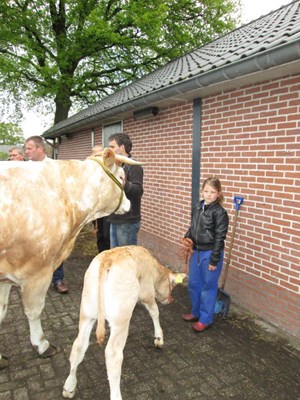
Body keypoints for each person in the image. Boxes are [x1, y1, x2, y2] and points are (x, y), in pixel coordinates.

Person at [182, 177, 229, 332]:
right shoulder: (198, 207)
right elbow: (193, 226)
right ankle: (195, 312)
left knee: (208, 288)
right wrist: (187, 236)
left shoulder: (220, 213)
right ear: (202, 191)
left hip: (210, 253)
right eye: (206, 191)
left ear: (218, 193)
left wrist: (214, 260)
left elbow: (220, 238)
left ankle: (206, 319)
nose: (208, 195)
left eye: (212, 192)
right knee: (194, 284)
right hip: (196, 251)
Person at [24, 136, 69, 294]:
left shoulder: (55, 167)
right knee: (33, 248)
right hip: (32, 216)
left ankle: (58, 279)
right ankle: (34, 279)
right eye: (26, 148)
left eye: (29, 148)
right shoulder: (24, 168)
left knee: (56, 248)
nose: (26, 151)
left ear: (40, 149)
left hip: (52, 216)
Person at [106, 133, 143, 248]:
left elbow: (138, 191)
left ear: (122, 148)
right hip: (114, 219)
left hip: (128, 221)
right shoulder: (113, 166)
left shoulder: (134, 166)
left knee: (127, 258)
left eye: (112, 147)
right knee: (115, 257)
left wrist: (125, 184)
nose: (109, 150)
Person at [90, 145, 111, 252]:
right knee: (99, 235)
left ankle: (109, 256)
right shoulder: (90, 169)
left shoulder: (108, 167)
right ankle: (101, 256)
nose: (98, 156)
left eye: (100, 153)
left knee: (107, 235)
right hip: (96, 207)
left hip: (107, 207)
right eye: (95, 153)